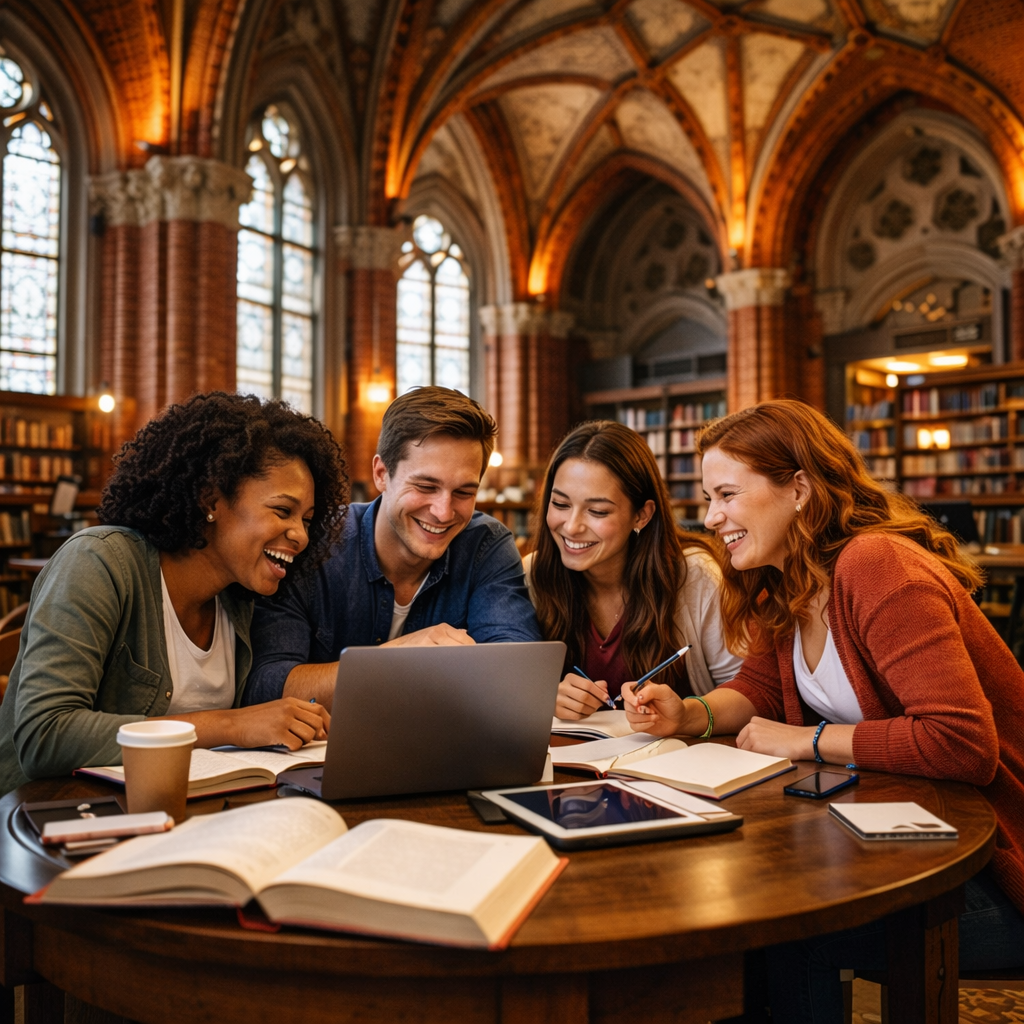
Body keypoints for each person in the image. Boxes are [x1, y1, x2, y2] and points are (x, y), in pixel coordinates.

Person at [620, 399, 1024, 1022]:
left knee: (780, 931)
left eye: (726, 494)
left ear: (800, 488)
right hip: (914, 839)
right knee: (754, 905)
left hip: (995, 866)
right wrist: (687, 715)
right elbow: (757, 690)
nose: (711, 517)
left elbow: (963, 743)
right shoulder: (791, 579)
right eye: (707, 497)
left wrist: (806, 742)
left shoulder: (875, 565)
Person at [0, 392, 349, 797]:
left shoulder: (240, 598)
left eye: (307, 519)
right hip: (46, 819)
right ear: (211, 499)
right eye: (283, 511)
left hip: (177, 816)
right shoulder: (100, 563)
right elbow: (45, 735)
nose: (301, 536)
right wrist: (231, 723)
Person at [245, 386, 541, 709]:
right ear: (381, 474)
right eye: (426, 486)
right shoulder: (312, 541)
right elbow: (266, 686)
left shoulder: (486, 545)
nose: (443, 512)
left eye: (463, 493)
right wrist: (399, 657)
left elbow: (519, 678)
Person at [526, 420, 740, 718]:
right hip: (574, 762)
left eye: (597, 511)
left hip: (676, 759)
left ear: (642, 515)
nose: (572, 526)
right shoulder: (533, 575)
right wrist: (544, 696)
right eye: (560, 504)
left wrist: (686, 713)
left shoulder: (695, 576)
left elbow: (745, 692)